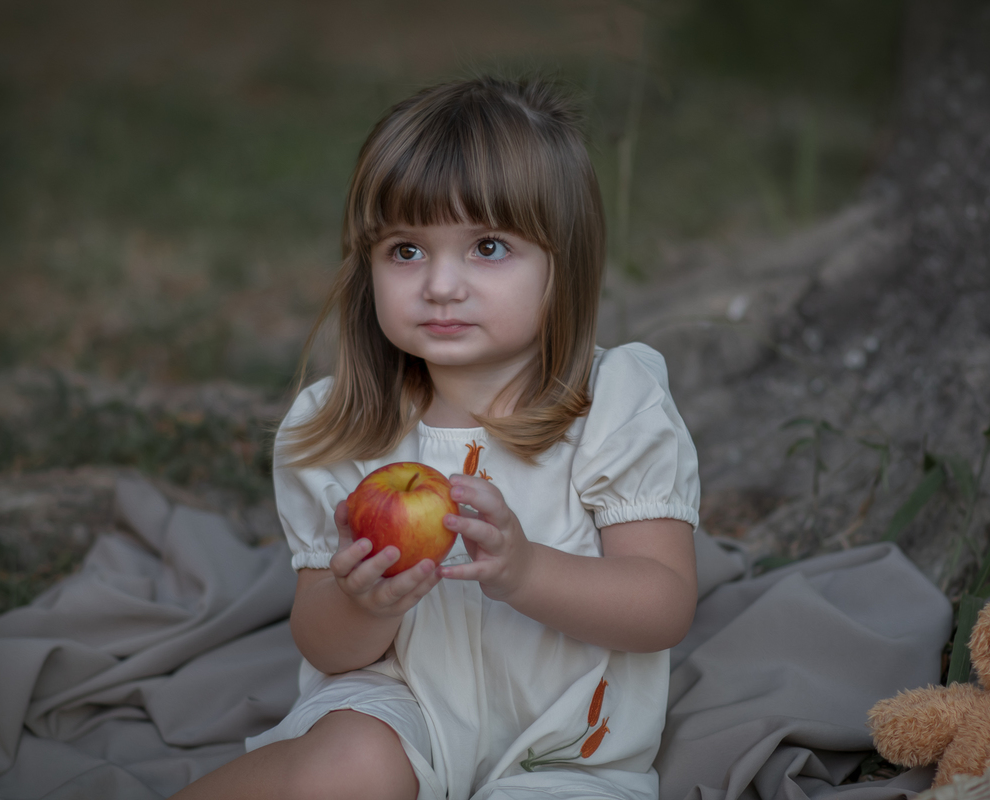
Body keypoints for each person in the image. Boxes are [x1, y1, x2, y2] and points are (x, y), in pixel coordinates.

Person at [171, 76, 700, 800]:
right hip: (398, 705)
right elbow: (323, 642)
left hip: (566, 750)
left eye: (487, 246)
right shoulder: (340, 429)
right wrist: (364, 604)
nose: (441, 285)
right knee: (350, 765)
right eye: (406, 251)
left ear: (562, 263)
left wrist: (524, 571)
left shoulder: (613, 404)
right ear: (369, 267)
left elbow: (663, 603)